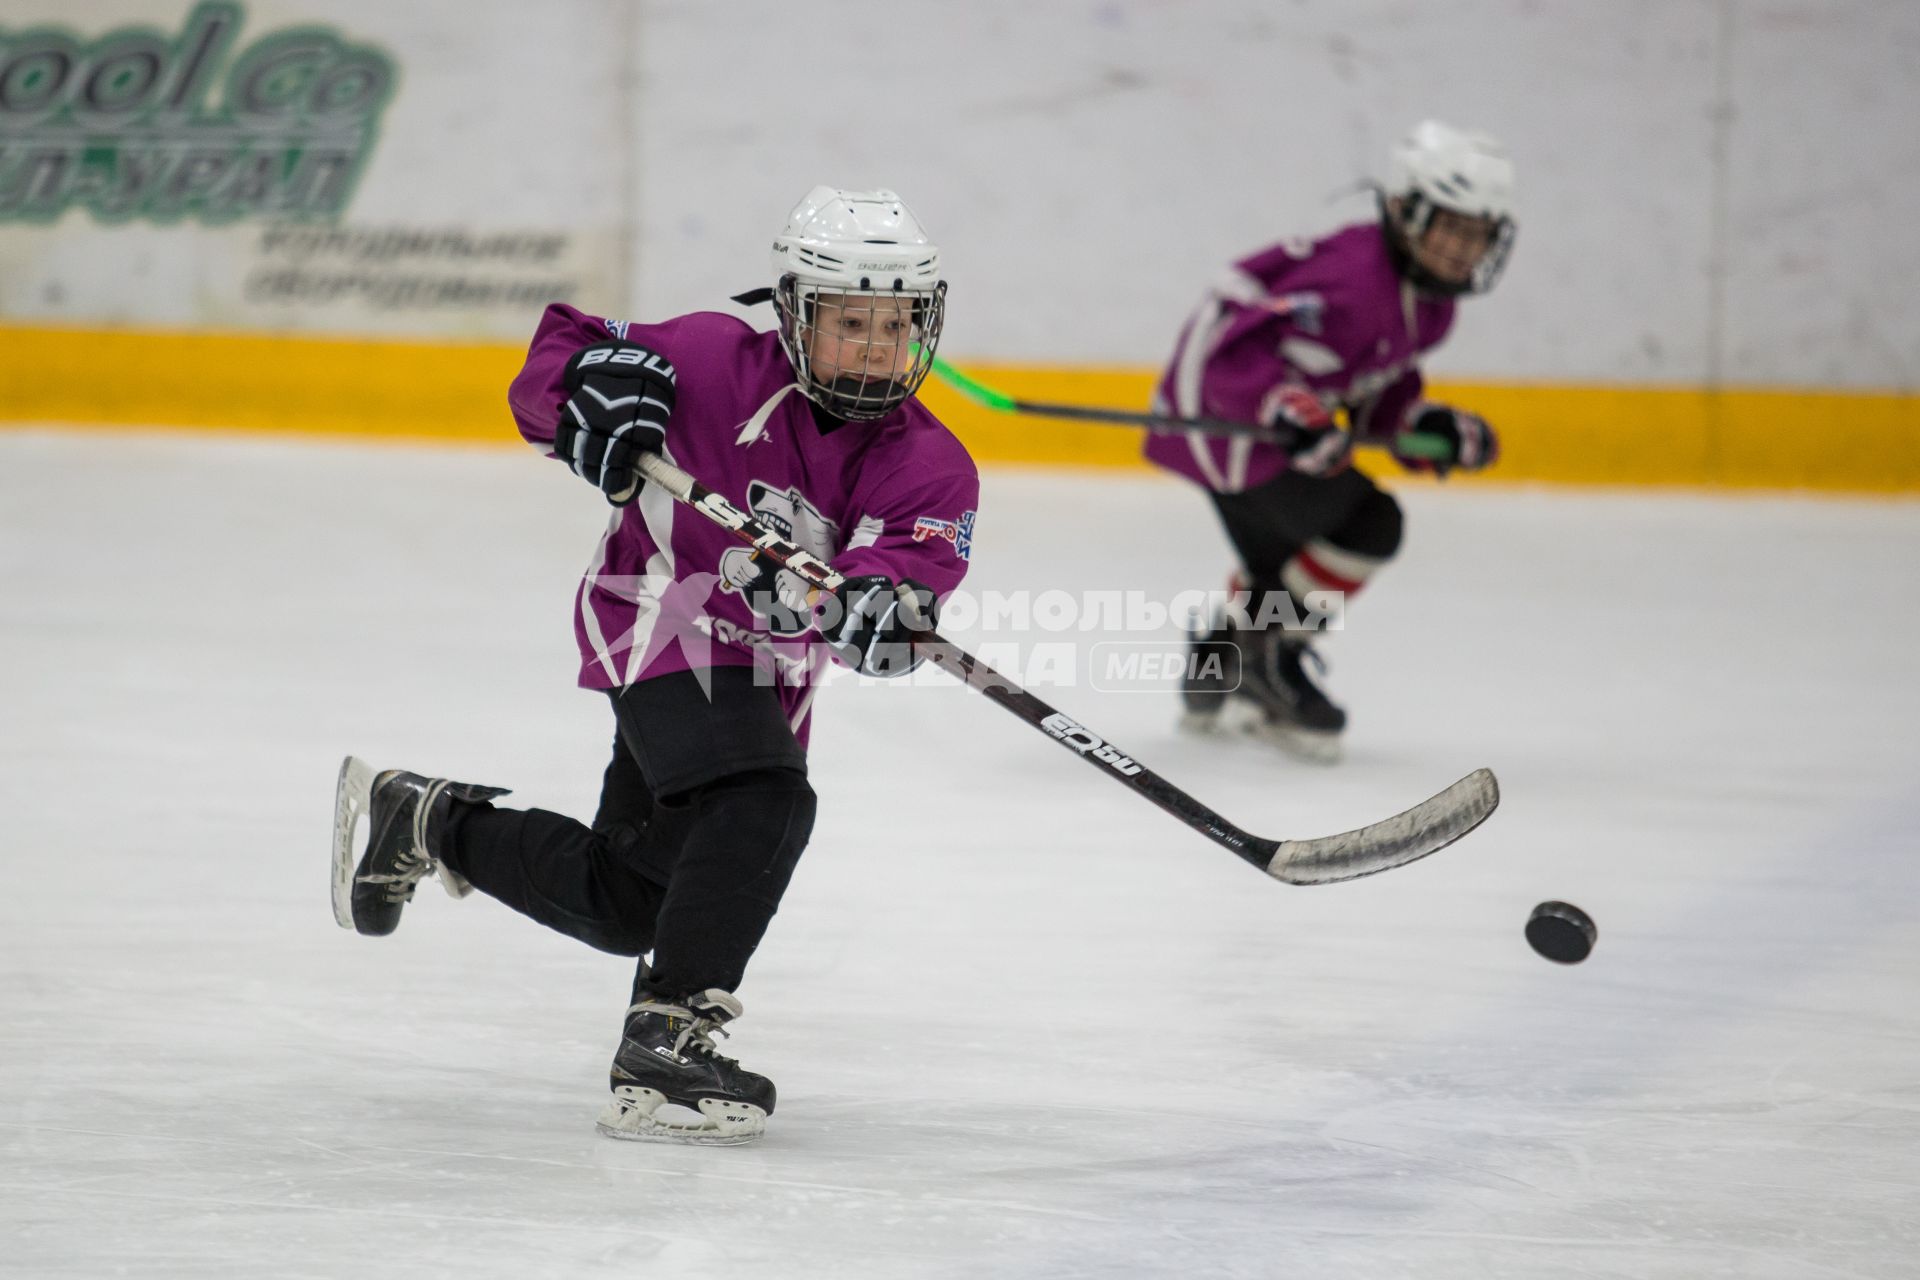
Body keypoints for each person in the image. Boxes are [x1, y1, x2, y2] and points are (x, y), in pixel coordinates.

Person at [329, 187, 979, 1145]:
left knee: (629, 899)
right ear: (796, 315)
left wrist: (883, 603)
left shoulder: (932, 461)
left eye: (896, 324)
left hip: (766, 675)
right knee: (766, 802)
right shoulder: (712, 359)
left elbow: (907, 561)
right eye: (851, 323)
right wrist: (584, 393)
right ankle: (668, 1034)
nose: (878, 347)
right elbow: (561, 349)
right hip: (657, 616)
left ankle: (427, 819)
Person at [1145, 120, 1514, 762]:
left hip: (1251, 427)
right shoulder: (1354, 280)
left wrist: (1416, 425)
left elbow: (1367, 380)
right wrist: (1281, 404)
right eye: (1451, 227)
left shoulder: (1427, 301)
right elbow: (1235, 351)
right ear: (1404, 210)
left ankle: (1225, 662)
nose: (1463, 249)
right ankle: (1264, 660)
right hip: (1223, 423)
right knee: (1369, 524)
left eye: (1477, 234)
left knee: (1283, 567)